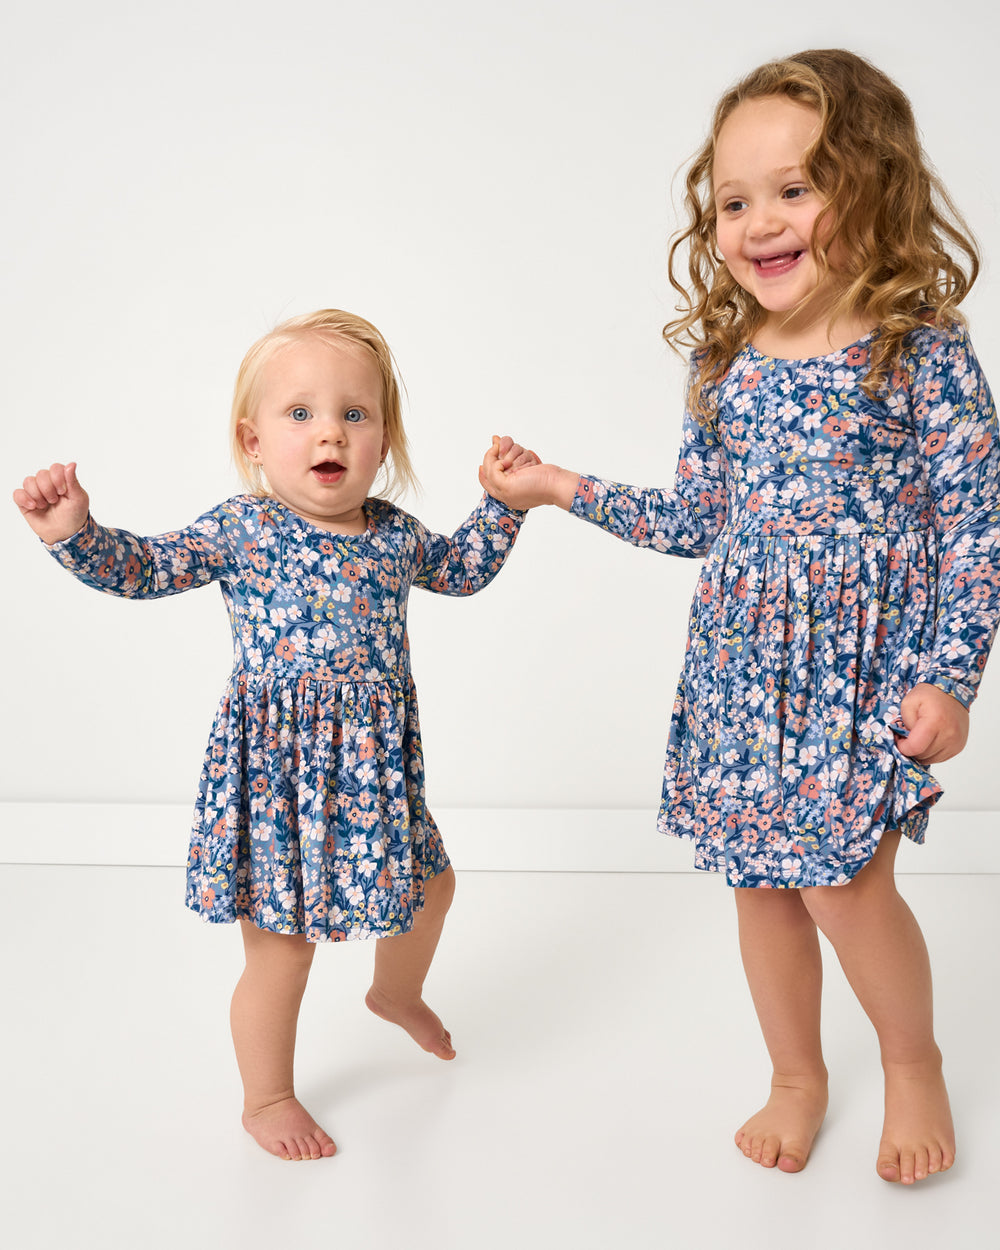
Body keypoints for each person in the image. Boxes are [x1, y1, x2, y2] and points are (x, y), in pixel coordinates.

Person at [480, 49, 999, 1185]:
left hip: (864, 672)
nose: (759, 222)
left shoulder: (919, 351)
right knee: (761, 887)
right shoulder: (724, 364)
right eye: (732, 200)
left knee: (845, 887)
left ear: (874, 187)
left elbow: (977, 524)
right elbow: (697, 520)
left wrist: (952, 677)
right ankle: (796, 1075)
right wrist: (560, 487)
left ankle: (911, 1061)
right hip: (743, 672)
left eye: (795, 189)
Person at [14, 308, 535, 1162]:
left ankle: (394, 994)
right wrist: (76, 533)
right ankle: (267, 1097)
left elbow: (464, 570)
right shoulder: (243, 528)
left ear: (384, 441)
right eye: (301, 414)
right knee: (282, 953)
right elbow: (146, 569)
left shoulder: (394, 534)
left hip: (371, 773)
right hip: (277, 778)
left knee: (434, 888)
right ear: (253, 441)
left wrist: (504, 505)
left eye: (355, 414)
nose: (330, 432)